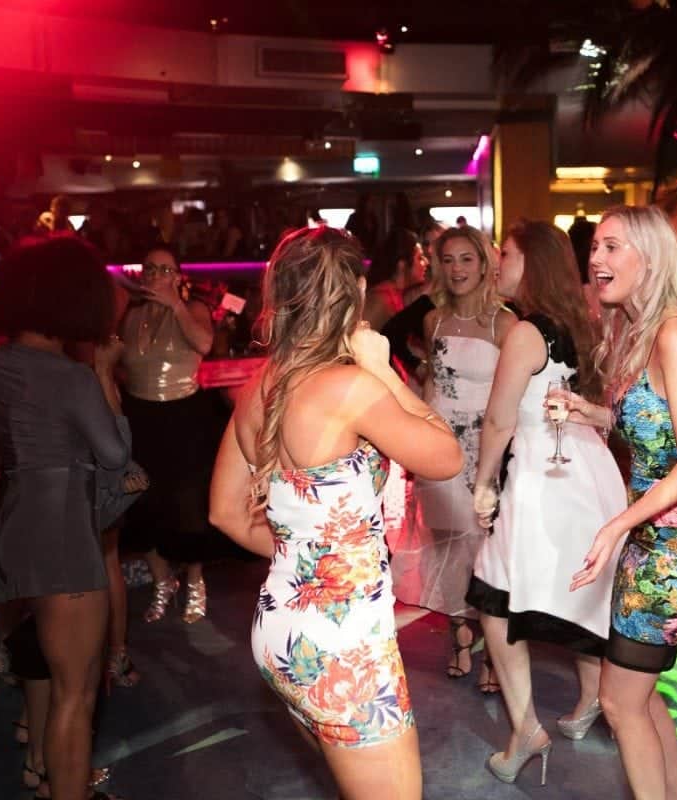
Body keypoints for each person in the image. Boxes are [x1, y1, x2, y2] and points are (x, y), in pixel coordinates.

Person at [208, 226, 462, 800]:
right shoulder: (349, 387)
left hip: (282, 630)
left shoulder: (258, 387)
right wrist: (383, 371)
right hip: (341, 643)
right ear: (358, 292)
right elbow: (447, 456)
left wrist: (314, 562)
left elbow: (225, 513)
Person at [563, 205, 677, 800]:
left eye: (612, 247)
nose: (596, 259)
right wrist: (592, 413)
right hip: (655, 540)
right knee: (641, 693)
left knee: (618, 701)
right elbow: (657, 432)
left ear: (651, 258)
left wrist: (616, 526)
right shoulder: (642, 331)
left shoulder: (676, 333)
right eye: (595, 247)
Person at [466, 222, 627, 785]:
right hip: (591, 471)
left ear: (530, 262)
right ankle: (592, 700)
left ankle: (525, 731)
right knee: (581, 590)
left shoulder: (526, 331)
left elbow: (499, 419)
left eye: (506, 253)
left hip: (541, 474)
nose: (496, 261)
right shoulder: (584, 321)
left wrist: (483, 484)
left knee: (493, 595)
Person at [0, 235, 130, 800]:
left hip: (18, 525)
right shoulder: (69, 376)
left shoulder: (1, 361)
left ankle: (53, 779)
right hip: (64, 532)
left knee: (48, 673)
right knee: (77, 692)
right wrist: (105, 376)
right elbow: (114, 454)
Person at [390, 225, 515, 691]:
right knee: (446, 547)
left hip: (485, 450)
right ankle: (461, 636)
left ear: (484, 265)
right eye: (448, 260)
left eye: (466, 259)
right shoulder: (433, 321)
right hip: (440, 448)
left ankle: (494, 651)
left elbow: (512, 398)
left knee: (484, 550)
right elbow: (433, 387)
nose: (457, 268)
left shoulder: (505, 324)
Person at [117, 245, 220, 624]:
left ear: (178, 276)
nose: (156, 275)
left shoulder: (193, 309)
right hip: (140, 414)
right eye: (150, 268)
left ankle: (195, 581)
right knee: (141, 503)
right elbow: (117, 362)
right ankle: (163, 581)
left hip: (182, 414)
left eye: (165, 269)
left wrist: (175, 305)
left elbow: (204, 344)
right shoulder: (131, 314)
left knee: (187, 506)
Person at [363, 229, 427, 333]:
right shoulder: (380, 299)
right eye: (419, 258)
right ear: (402, 264)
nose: (426, 262)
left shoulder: (399, 296)